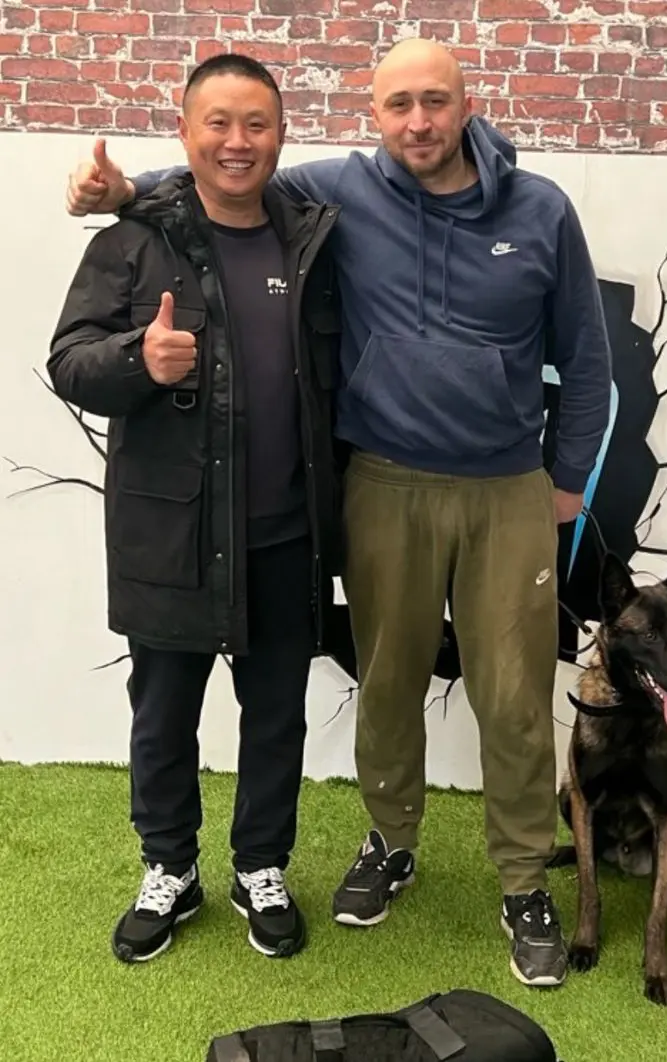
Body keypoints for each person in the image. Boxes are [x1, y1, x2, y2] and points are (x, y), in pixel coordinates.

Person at [65, 38, 612, 988]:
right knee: (385, 681)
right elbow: (220, 178)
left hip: (502, 490)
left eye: (434, 101)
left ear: (467, 101)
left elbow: (588, 357)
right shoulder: (340, 192)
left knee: (516, 699)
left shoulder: (539, 211)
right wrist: (119, 195)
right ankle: (382, 843)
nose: (418, 123)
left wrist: (566, 481)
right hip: (380, 485)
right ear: (372, 111)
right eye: (397, 104)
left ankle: (523, 881)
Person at [51, 53, 343, 964]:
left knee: (277, 717)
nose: (237, 142)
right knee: (162, 716)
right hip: (168, 536)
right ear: (185, 132)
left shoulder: (313, 242)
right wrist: (142, 358)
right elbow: (69, 362)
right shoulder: (132, 243)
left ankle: (262, 866)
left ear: (281, 134)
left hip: (286, 537)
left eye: (255, 123)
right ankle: (168, 869)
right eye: (217, 122)